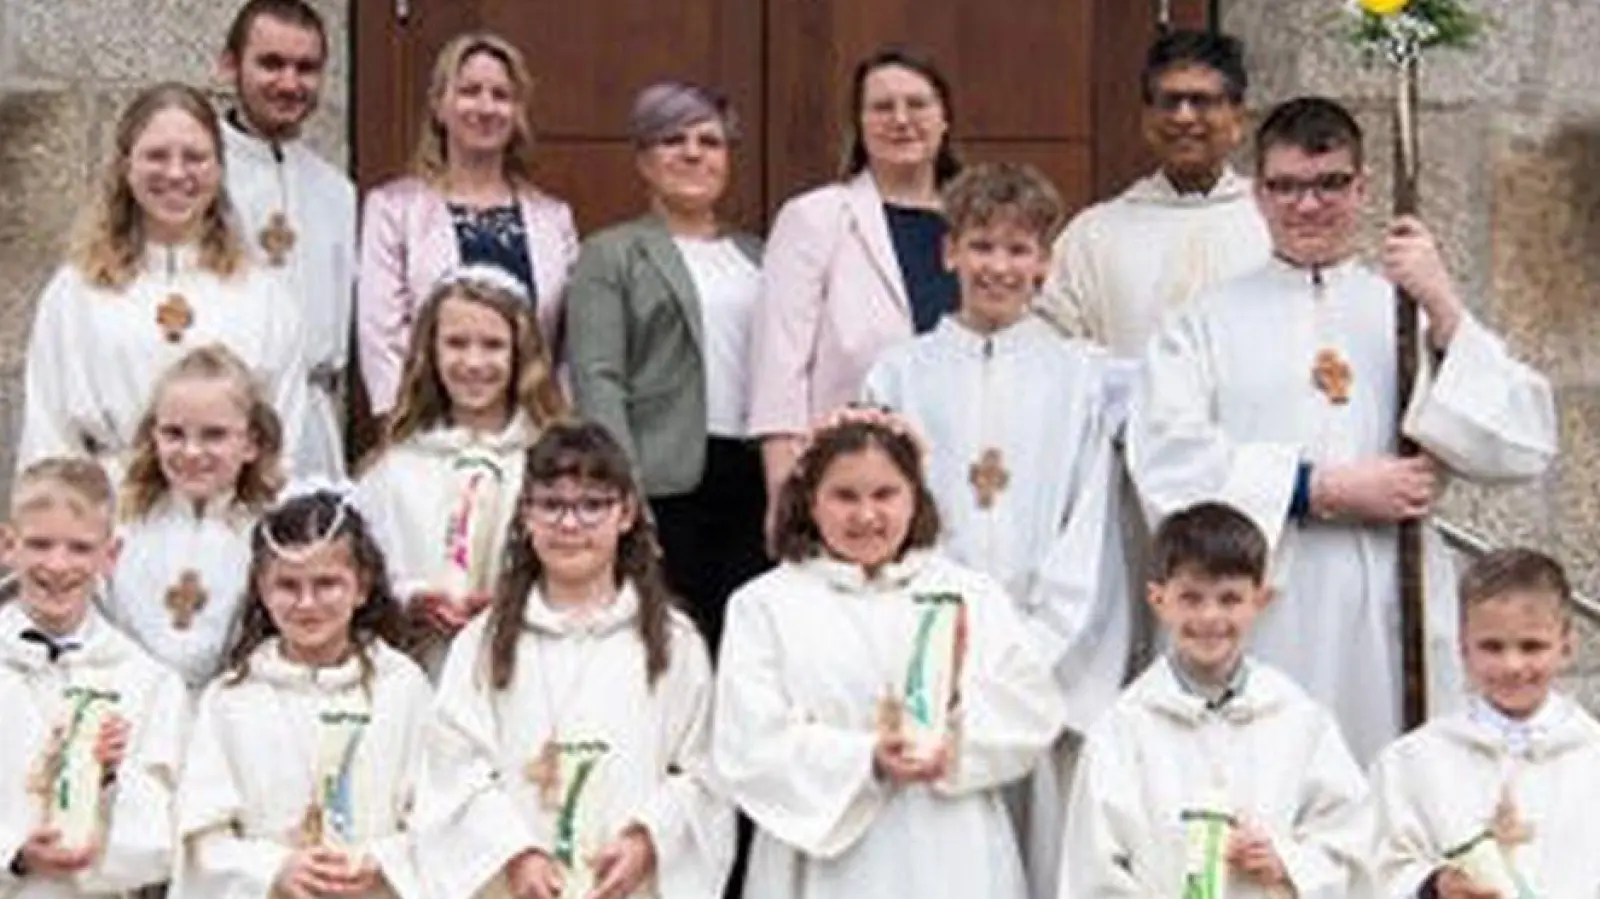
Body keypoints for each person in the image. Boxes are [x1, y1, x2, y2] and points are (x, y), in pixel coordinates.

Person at [1125, 96, 1559, 763]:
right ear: (1259, 194)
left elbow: (1521, 444)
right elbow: (1167, 458)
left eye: (1329, 184)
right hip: (1268, 600)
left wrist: (1443, 304)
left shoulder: (1405, 311)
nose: (1308, 205)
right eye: (1287, 186)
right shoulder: (1204, 321)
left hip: (1393, 588)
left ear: (1361, 188)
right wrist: (1317, 486)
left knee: (1393, 781)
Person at [862, 162, 1126, 899]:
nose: (998, 267)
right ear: (949, 252)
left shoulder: (1082, 379)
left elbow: (1090, 526)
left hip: (1046, 663)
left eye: (1018, 250)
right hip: (930, 667)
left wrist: (1028, 654)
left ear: (1045, 261)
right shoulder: (899, 375)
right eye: (981, 246)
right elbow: (878, 522)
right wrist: (934, 652)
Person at [713, 413, 1066, 899]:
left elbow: (1033, 712)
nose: (866, 516)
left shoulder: (969, 594)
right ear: (811, 501)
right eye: (845, 496)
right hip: (828, 861)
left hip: (949, 848)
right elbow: (749, 743)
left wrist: (958, 706)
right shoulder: (764, 605)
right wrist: (866, 761)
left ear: (915, 497)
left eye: (885, 494)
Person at [413, 421, 732, 899]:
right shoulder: (485, 641)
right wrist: (516, 854)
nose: (569, 523)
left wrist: (648, 840)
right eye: (552, 504)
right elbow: (453, 770)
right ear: (526, 515)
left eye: (592, 504)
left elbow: (704, 773)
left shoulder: (672, 641)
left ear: (626, 513)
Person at [1061, 502, 1371, 899]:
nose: (1210, 617)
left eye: (1229, 599)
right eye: (1191, 598)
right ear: (1158, 601)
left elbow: (1354, 837)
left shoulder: (1298, 720)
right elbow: (1093, 870)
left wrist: (1287, 863)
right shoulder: (1123, 730)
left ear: (1260, 600)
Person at [17, 82, 309, 485]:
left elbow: (283, 443)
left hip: (231, 524)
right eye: (156, 156)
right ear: (126, 166)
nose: (175, 173)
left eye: (195, 157)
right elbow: (48, 436)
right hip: (109, 521)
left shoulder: (265, 297)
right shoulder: (75, 292)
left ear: (219, 169)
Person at [566, 81, 766, 657]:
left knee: (741, 649)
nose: (693, 153)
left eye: (711, 141)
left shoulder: (761, 253)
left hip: (749, 479)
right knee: (669, 645)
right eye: (672, 139)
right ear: (643, 160)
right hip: (664, 479)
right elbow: (599, 376)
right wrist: (622, 485)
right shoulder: (612, 253)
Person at [172, 488, 429, 899]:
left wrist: (380, 861)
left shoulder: (402, 688)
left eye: (326, 583)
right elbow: (202, 839)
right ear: (261, 589)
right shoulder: (230, 700)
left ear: (361, 587)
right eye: (288, 586)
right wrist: (273, 869)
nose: (307, 604)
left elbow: (436, 816)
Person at [748, 47, 962, 534]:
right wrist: (784, 493)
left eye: (917, 104)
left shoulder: (977, 225)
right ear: (859, 124)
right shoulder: (815, 217)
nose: (901, 119)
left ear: (945, 117)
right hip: (851, 490)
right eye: (882, 107)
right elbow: (780, 368)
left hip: (960, 475)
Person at [354, 266, 566, 675]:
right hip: (424, 669)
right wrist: (410, 599)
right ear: (430, 351)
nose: (473, 362)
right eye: (456, 343)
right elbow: (363, 570)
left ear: (520, 353)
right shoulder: (392, 470)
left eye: (492, 345)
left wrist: (514, 600)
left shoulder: (551, 463)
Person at [359, 31, 578, 419]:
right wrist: (401, 426)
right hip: (427, 429)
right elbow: (381, 336)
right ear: (439, 107)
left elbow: (567, 341)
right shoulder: (394, 209)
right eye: (469, 90)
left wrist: (559, 422)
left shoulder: (553, 218)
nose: (485, 106)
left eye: (500, 95)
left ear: (517, 112)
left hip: (532, 430)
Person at [0, 458, 189, 899]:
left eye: (80, 548)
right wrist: (14, 852)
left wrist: (108, 783)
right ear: (8, 545)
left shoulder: (148, 683)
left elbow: (163, 842)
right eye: (40, 544)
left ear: (110, 555)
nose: (58, 565)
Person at [1370, 548, 1600, 898]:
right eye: (1492, 647)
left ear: (1567, 647)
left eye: (1532, 646)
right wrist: (1434, 887)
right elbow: (1376, 870)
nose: (1511, 665)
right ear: (1463, 648)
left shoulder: (1591, 754)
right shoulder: (1411, 762)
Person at [1039, 29, 1270, 366]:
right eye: (1169, 101)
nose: (1184, 117)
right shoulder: (1095, 235)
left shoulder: (1274, 223)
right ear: (1146, 117)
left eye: (1202, 101)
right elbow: (1051, 345)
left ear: (1237, 118)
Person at [217, 0, 356, 476]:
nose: (289, 83)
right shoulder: (199, 174)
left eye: (306, 68)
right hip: (221, 420)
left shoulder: (337, 191)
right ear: (230, 65)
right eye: (271, 64)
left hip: (312, 423)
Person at [102, 344, 287, 690]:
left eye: (214, 434)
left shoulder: (274, 533)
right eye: (173, 433)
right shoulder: (120, 526)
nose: (191, 451)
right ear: (152, 435)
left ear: (251, 443)